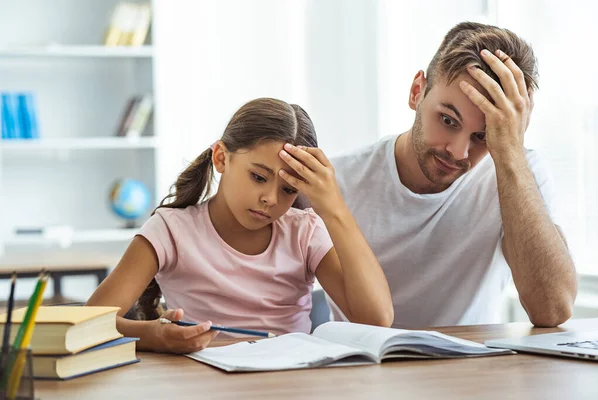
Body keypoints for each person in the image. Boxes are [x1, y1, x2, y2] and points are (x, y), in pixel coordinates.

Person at [86, 98, 393, 354]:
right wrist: (153, 337)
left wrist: (334, 208)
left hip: (290, 385)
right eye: (258, 177)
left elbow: (376, 319)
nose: (270, 199)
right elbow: (88, 322)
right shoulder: (171, 230)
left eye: (288, 189)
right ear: (221, 158)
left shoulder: (305, 231)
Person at [325, 22, 577, 329]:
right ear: (417, 91)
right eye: (447, 120)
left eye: (481, 137)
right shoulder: (338, 180)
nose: (458, 153)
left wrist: (509, 155)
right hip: (362, 370)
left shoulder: (517, 173)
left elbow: (552, 310)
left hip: (468, 372)